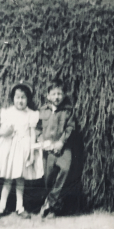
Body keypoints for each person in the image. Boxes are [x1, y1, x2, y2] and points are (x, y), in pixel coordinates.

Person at [0, 81, 43, 219]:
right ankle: (1, 207)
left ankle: (20, 207)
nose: (20, 100)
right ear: (13, 98)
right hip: (10, 149)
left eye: (23, 97)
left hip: (23, 148)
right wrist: (7, 131)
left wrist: (31, 152)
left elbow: (32, 134)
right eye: (17, 97)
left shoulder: (31, 114)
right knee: (8, 179)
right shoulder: (8, 113)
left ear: (28, 99)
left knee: (20, 179)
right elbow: (2, 131)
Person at [37, 78, 76, 219]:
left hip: (62, 147)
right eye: (53, 94)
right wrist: (40, 139)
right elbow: (37, 128)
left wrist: (61, 142)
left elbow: (70, 127)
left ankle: (51, 204)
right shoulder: (42, 110)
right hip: (47, 149)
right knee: (48, 178)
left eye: (59, 93)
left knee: (65, 170)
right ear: (48, 96)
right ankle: (49, 204)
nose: (56, 97)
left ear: (64, 95)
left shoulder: (68, 110)